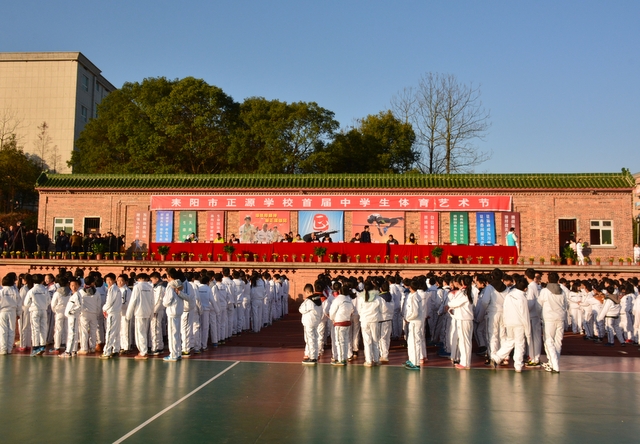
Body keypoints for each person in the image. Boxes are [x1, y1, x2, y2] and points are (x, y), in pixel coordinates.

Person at [490, 277, 531, 372]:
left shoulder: (509, 295)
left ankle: (497, 357)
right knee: (519, 344)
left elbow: (505, 308)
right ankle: (518, 365)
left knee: (510, 341)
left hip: (509, 322)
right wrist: (528, 331)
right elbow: (525, 315)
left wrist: (505, 321)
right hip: (519, 323)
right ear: (525, 288)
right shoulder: (522, 298)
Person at [538, 272, 566, 373]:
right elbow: (565, 305)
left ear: (548, 280)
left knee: (549, 341)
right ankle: (553, 362)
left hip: (549, 319)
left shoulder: (544, 291)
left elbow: (539, 305)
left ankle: (554, 364)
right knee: (558, 342)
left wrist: (539, 316)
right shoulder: (562, 291)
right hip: (560, 318)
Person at [126, 273, 155, 359]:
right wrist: (151, 313)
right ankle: (144, 350)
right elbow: (152, 301)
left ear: (139, 279)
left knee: (140, 333)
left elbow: (133, 301)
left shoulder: (137, 287)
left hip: (139, 312)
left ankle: (143, 352)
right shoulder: (150, 287)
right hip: (148, 312)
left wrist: (128, 314)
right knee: (144, 332)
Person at [24, 274, 50, 356]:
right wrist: (43, 305)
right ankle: (42, 346)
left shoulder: (31, 291)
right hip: (43, 310)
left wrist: (32, 305)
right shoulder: (45, 290)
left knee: (35, 329)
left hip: (34, 311)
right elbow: (49, 301)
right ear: (42, 281)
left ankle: (36, 347)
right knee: (43, 328)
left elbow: (26, 303)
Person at [329, 281, 354, 366]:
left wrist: (332, 318)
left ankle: (341, 359)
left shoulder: (337, 300)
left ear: (339, 291)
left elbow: (332, 312)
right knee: (345, 341)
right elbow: (352, 310)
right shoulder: (349, 300)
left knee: (339, 342)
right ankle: (344, 358)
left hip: (339, 322)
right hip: (347, 322)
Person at [299, 283, 323, 365]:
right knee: (315, 339)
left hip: (309, 322)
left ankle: (312, 357)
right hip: (315, 321)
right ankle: (314, 355)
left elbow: (301, 309)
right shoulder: (318, 299)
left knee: (310, 340)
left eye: (305, 293)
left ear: (308, 292)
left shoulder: (309, 301)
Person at [404, 279, 424, 370]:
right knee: (411, 341)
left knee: (415, 342)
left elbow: (415, 312)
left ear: (410, 287)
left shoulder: (414, 297)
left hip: (415, 321)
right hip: (414, 321)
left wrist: (408, 318)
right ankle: (412, 359)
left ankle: (416, 363)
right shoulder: (414, 295)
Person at [101, 273, 122, 359]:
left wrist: (104, 308)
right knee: (116, 332)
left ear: (114, 280)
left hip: (112, 313)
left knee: (110, 332)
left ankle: (107, 351)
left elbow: (109, 302)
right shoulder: (116, 289)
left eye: (110, 280)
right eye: (107, 280)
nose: (108, 282)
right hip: (116, 312)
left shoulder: (112, 289)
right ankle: (116, 350)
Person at [0, 274, 19, 355]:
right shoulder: (15, 291)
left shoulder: (1, 291)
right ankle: (9, 349)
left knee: (3, 330)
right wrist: (19, 313)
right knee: (11, 330)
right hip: (12, 312)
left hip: (3, 312)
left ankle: (3, 349)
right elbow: (19, 303)